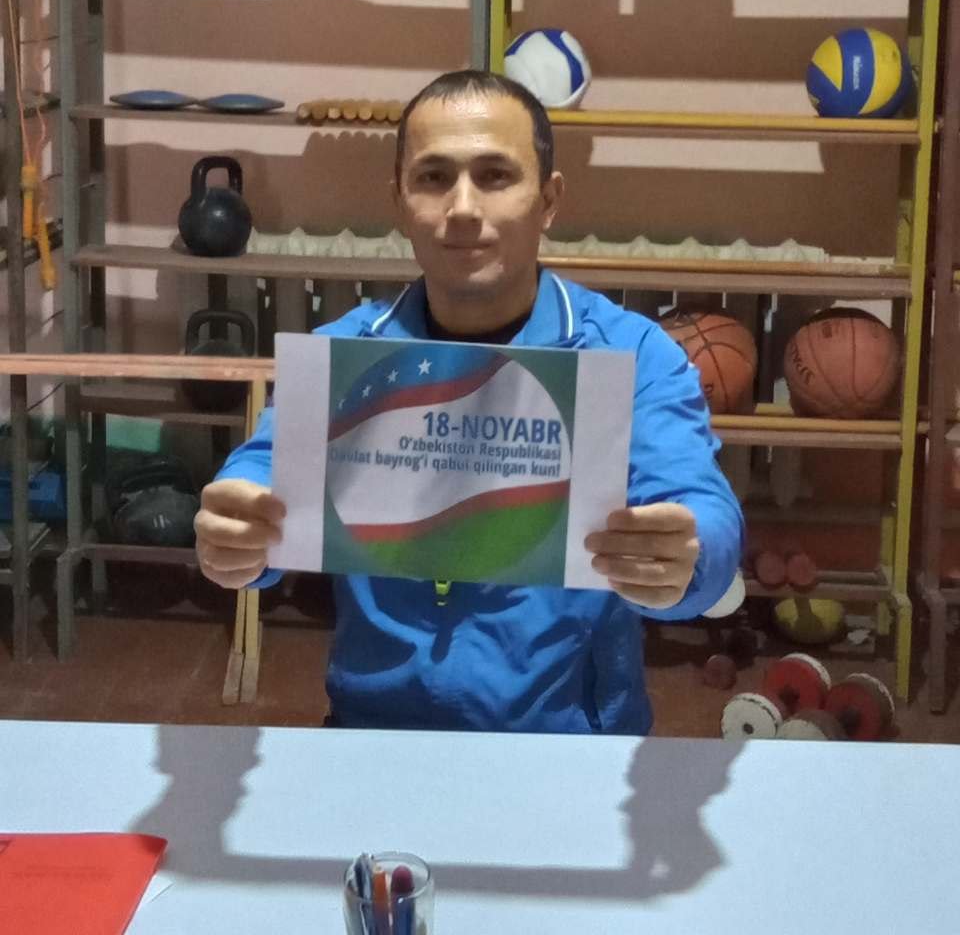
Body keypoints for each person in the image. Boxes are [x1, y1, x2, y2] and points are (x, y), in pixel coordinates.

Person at [195, 70, 744, 735]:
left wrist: (688, 557)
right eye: (433, 177)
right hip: (372, 737)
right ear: (400, 201)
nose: (461, 207)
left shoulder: (632, 356)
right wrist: (238, 526)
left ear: (548, 200)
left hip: (571, 748)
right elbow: (263, 469)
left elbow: (701, 507)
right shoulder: (344, 356)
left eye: (494, 176)